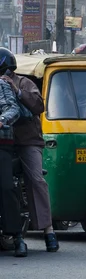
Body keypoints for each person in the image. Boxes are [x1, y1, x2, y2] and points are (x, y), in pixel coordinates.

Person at [0, 48, 59, 253]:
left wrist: (16, 91)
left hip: (26, 142)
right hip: (5, 143)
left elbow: (37, 105)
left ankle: (48, 231)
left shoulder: (24, 83)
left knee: (36, 179)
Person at [0, 72, 27, 257]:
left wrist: (2, 121)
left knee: (6, 187)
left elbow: (13, 108)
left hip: (2, 143)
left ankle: (17, 236)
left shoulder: (1, 85)